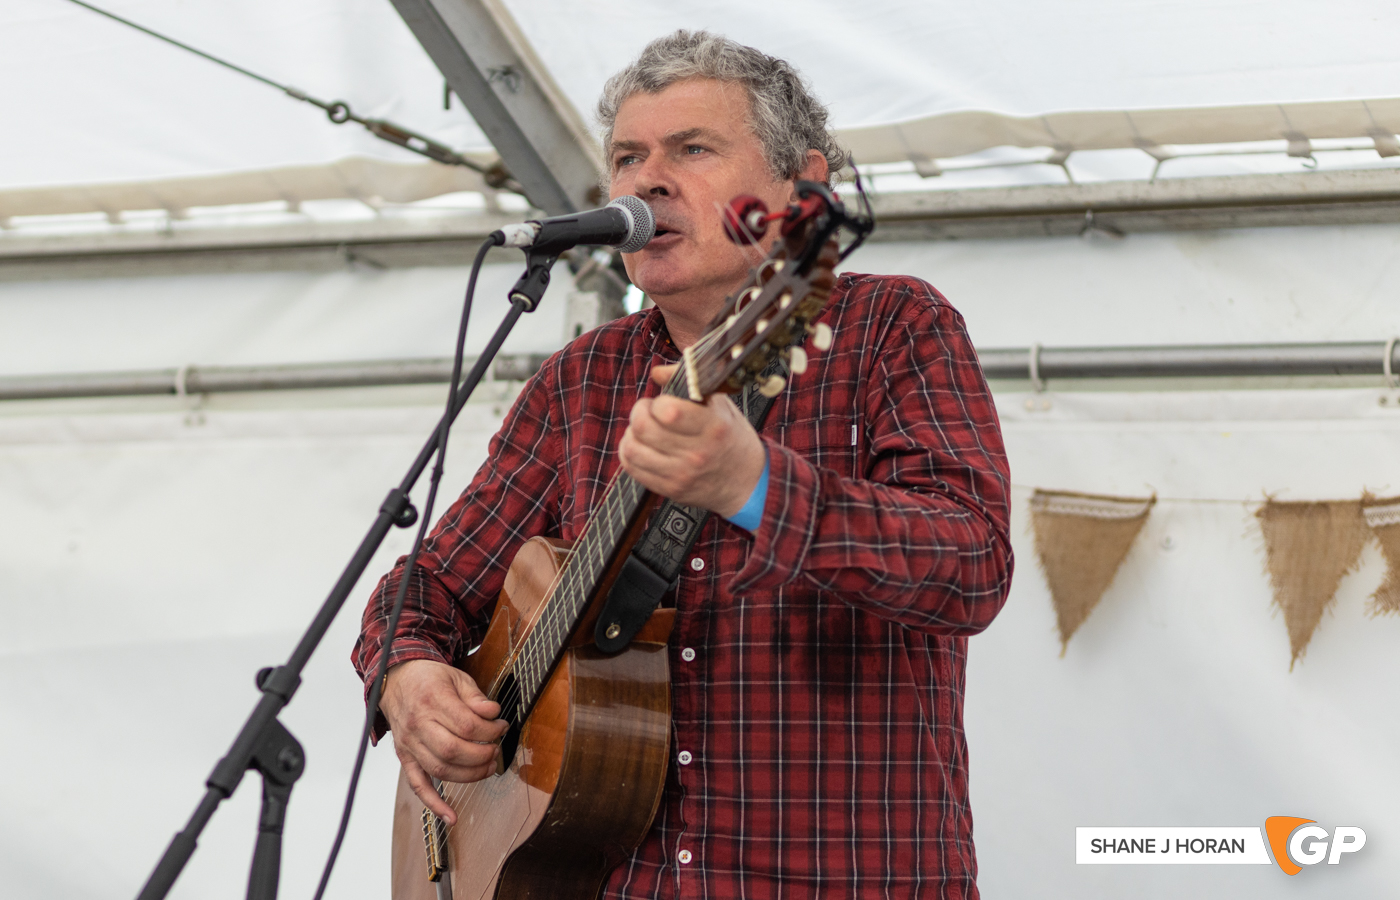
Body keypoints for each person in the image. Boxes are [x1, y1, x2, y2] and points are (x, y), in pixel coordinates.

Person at [354, 30, 1013, 899]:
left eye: (691, 149)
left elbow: (971, 565)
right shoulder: (580, 378)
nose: (644, 180)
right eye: (627, 157)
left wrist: (759, 489)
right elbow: (424, 589)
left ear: (803, 187)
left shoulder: (892, 326)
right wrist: (407, 676)